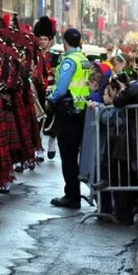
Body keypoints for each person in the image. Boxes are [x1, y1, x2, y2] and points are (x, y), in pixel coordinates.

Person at [47, 27, 91, 211]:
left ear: (65, 42)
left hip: (68, 111)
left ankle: (72, 197)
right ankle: (75, 194)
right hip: (83, 111)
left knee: (68, 157)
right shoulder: (84, 59)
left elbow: (61, 88)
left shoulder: (69, 61)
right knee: (76, 155)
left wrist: (50, 99)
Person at [34, 16, 60, 161]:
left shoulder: (55, 56)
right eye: (40, 39)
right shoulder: (33, 55)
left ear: (49, 40)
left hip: (50, 91)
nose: (42, 41)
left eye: (45, 39)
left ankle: (52, 142)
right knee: (37, 120)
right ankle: (38, 149)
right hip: (37, 91)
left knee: (52, 119)